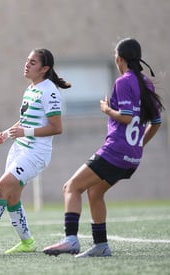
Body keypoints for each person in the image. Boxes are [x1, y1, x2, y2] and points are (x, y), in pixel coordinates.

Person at [43, 38, 164, 258]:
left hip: (115, 152)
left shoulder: (124, 81)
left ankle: (70, 239)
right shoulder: (145, 83)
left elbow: (126, 117)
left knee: (71, 187)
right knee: (95, 191)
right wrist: (138, 145)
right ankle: (101, 245)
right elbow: (156, 122)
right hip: (132, 157)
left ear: (120, 59)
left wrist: (106, 109)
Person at [0, 48, 71, 254]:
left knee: (1, 187)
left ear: (45, 68)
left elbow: (57, 127)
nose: (27, 64)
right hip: (19, 149)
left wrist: (24, 131)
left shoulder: (49, 91)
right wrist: (9, 133)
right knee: (11, 198)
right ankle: (27, 243)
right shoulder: (31, 88)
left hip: (36, 154)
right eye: (27, 60)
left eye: (33, 63)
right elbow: (26, 120)